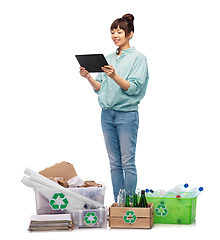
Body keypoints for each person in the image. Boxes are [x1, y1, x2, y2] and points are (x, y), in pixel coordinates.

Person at [79, 14, 149, 202]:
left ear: (130, 34)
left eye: (119, 31)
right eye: (112, 32)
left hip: (127, 115)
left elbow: (134, 88)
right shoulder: (108, 58)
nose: (115, 35)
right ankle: (119, 204)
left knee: (127, 163)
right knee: (114, 163)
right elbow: (101, 89)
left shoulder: (138, 59)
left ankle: (130, 203)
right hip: (106, 115)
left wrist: (114, 76)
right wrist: (88, 77)